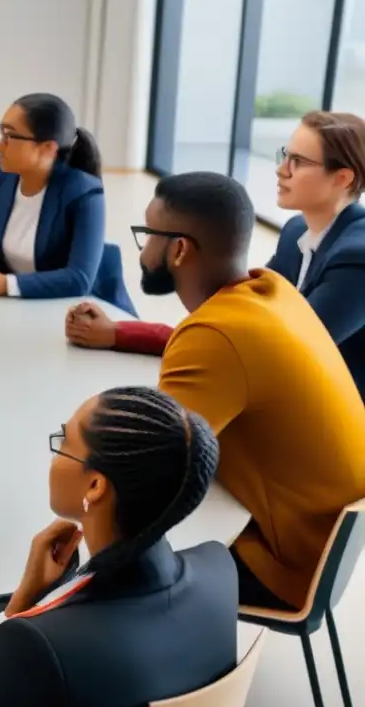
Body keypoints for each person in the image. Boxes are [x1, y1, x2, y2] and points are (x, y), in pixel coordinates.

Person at [72, 171, 365, 610]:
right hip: (327, 546)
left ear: (179, 249)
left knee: (107, 546)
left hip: (284, 565)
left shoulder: (213, 335)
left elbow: (146, 468)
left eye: (146, 235)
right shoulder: (272, 291)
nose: (143, 249)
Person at [0, 386, 235, 707]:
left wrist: (17, 610)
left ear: (95, 486)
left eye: (63, 442)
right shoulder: (220, 570)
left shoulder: (35, 648)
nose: (55, 454)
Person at [66, 110, 365, 399]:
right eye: (284, 155)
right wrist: (119, 332)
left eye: (298, 161)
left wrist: (122, 335)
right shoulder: (295, 231)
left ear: (342, 178)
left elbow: (276, 353)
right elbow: (237, 318)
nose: (280, 169)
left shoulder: (357, 258)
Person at [0, 93, 133, 312]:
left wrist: (4, 284)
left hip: (84, 313)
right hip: (18, 309)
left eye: (10, 136)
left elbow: (79, 279)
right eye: (0, 133)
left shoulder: (85, 192)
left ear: (47, 148)